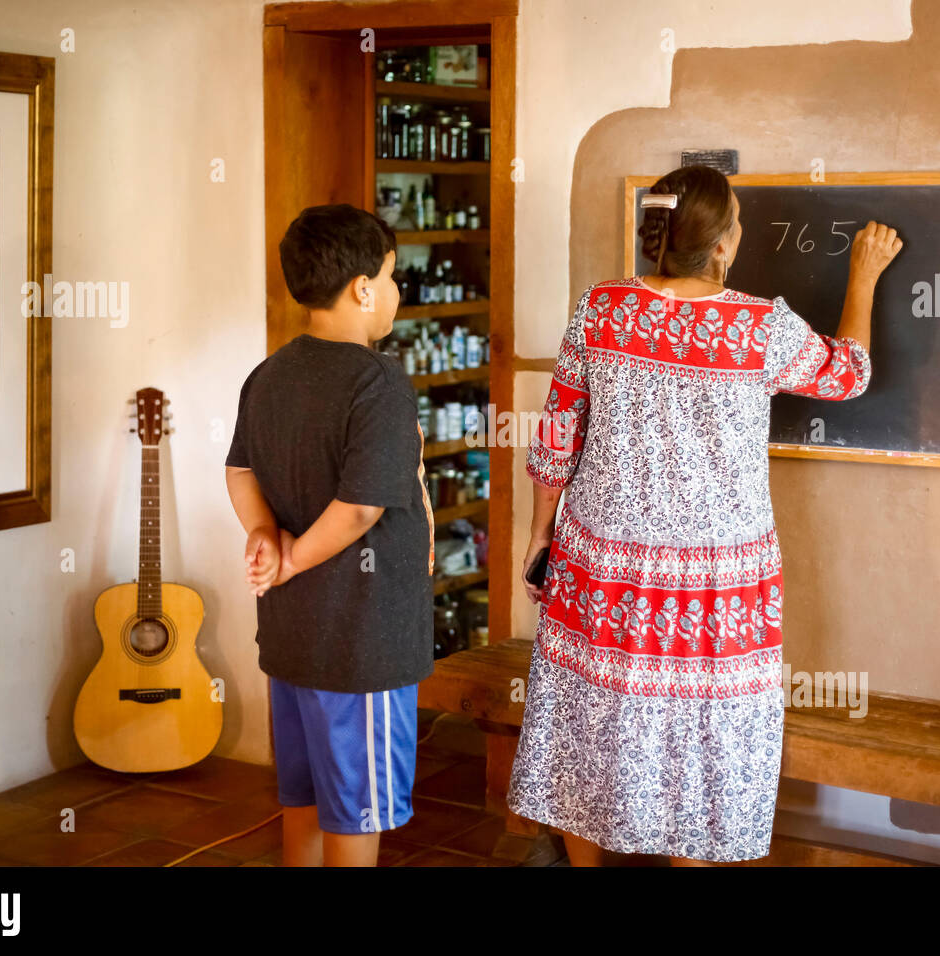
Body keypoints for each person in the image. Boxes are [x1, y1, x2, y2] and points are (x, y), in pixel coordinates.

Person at [507, 164, 901, 865]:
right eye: (739, 222)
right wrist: (864, 275)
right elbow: (850, 373)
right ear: (720, 246)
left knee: (590, 722)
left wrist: (541, 532)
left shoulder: (601, 310)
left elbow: (558, 432)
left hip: (600, 569)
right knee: (704, 742)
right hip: (713, 589)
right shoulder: (758, 327)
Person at [224, 204, 435, 866]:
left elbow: (238, 470)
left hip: (294, 640)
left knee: (308, 798)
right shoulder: (378, 383)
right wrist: (289, 559)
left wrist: (264, 532)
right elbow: (359, 509)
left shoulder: (270, 373)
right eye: (393, 276)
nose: (397, 293)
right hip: (359, 643)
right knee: (357, 810)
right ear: (362, 287)